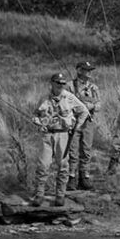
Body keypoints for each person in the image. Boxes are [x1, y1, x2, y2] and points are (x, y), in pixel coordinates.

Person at [31, 72, 89, 207]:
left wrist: (76, 127)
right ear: (52, 83)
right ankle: (39, 194)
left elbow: (84, 111)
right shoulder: (43, 98)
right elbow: (35, 115)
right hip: (47, 136)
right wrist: (39, 124)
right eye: (58, 83)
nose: (61, 86)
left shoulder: (69, 97)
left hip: (63, 135)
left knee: (63, 166)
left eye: (63, 83)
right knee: (43, 165)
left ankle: (60, 195)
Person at [66, 61, 100, 191]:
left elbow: (99, 104)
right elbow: (65, 103)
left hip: (88, 122)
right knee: (73, 151)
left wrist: (92, 106)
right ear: (79, 70)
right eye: (86, 70)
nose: (89, 72)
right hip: (74, 122)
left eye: (90, 70)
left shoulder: (94, 88)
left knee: (86, 150)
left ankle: (84, 177)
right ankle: (71, 178)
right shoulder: (69, 86)